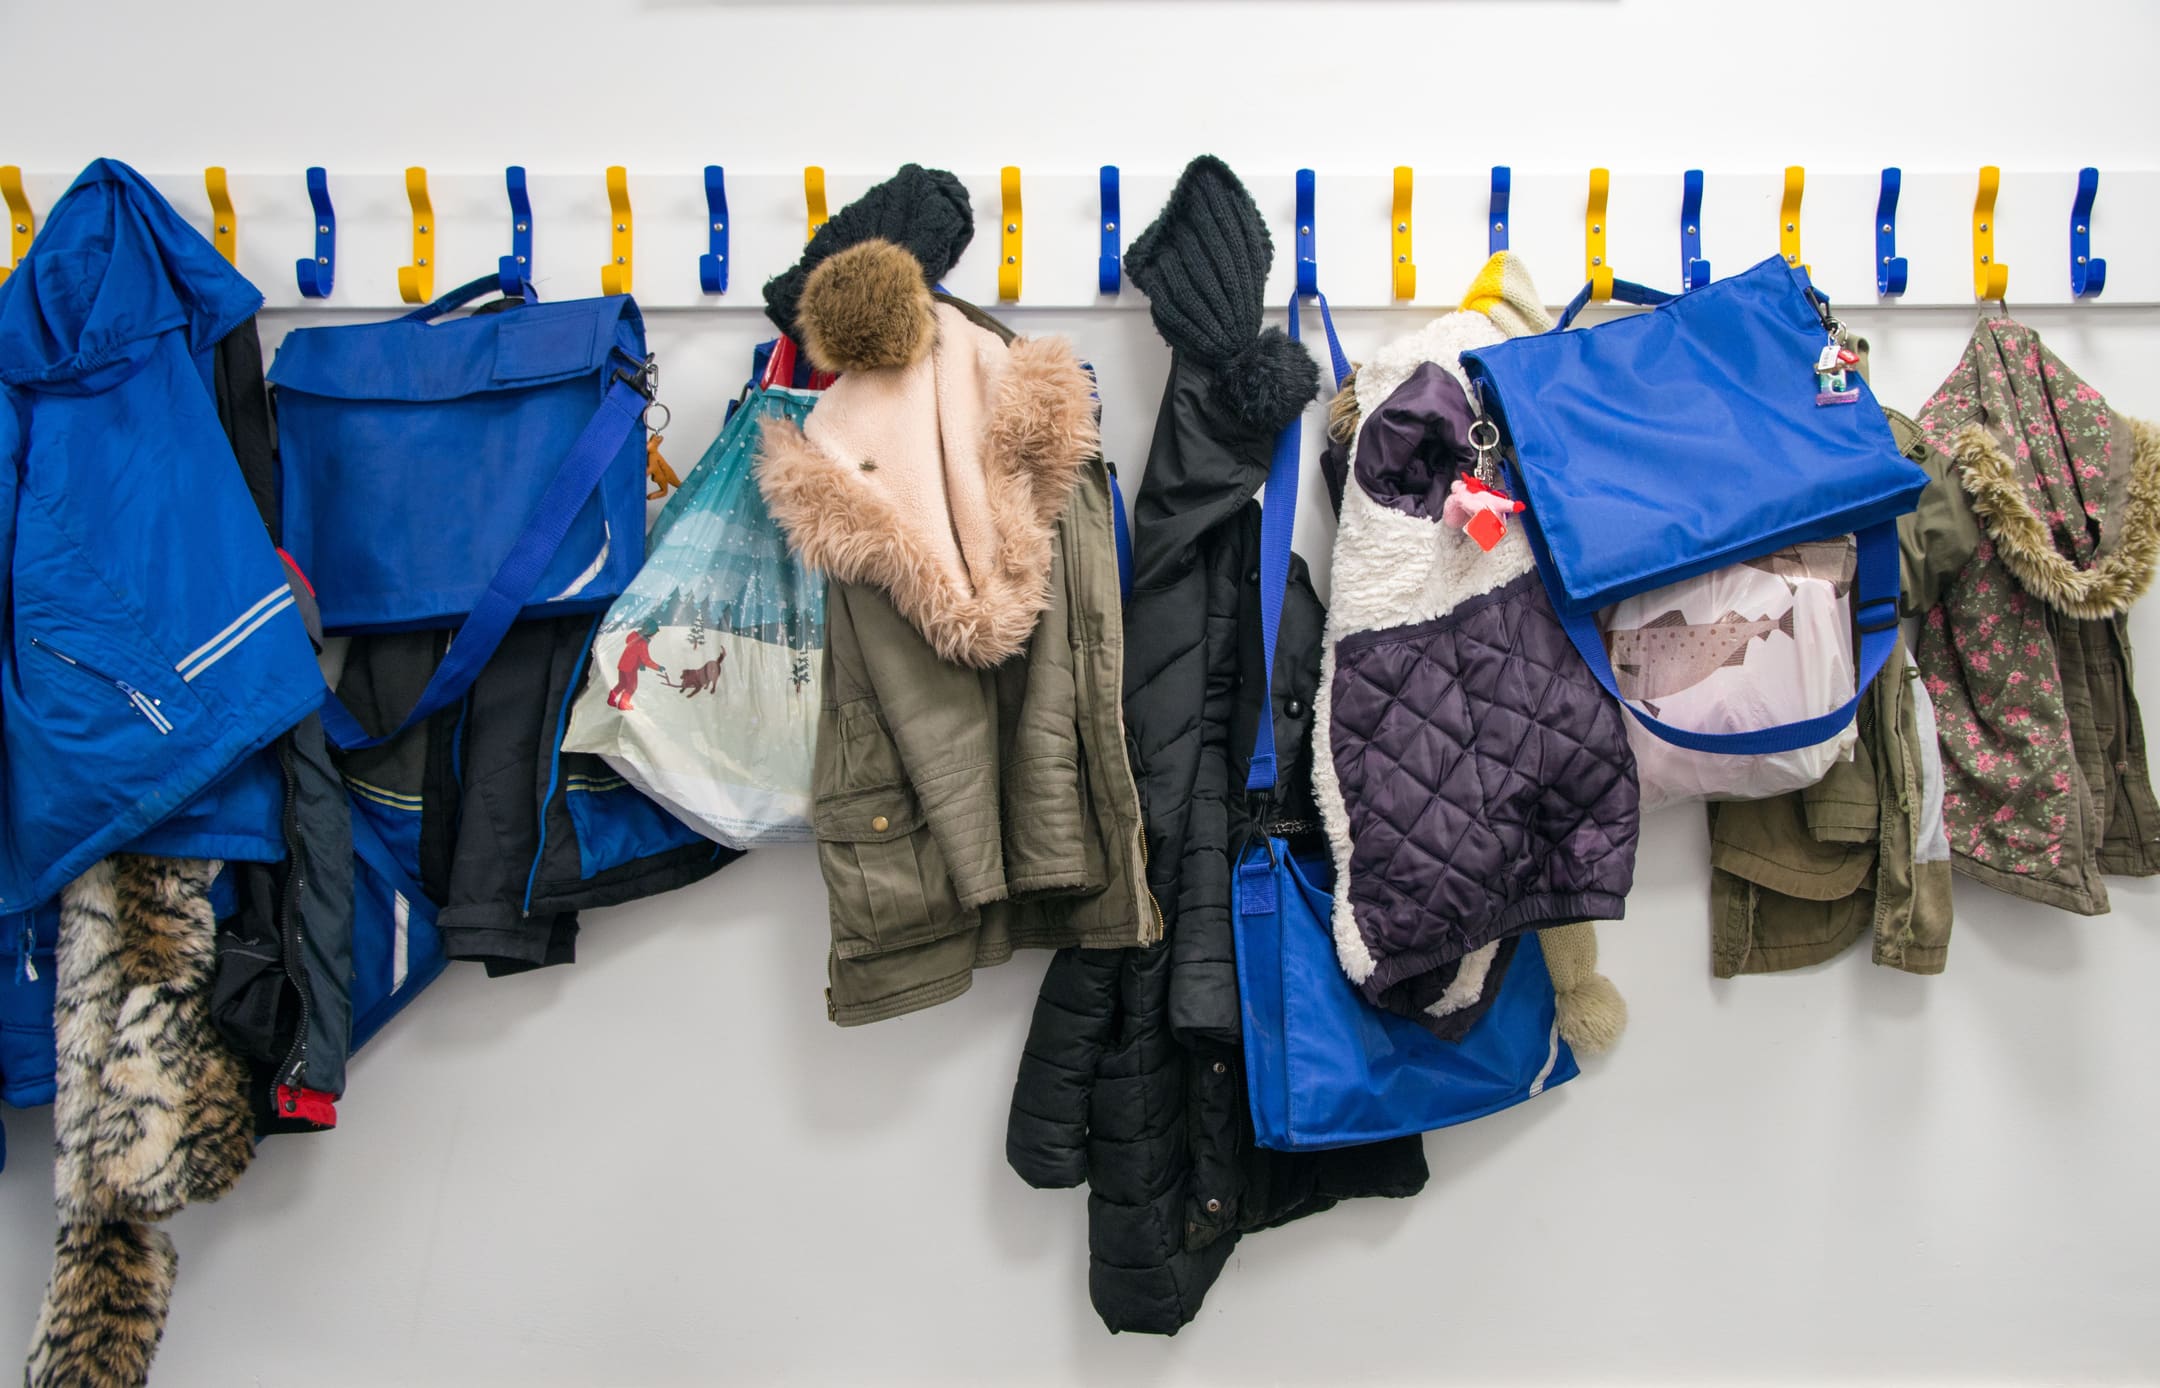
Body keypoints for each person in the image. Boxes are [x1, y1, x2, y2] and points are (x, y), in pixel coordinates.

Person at [608, 620, 665, 711]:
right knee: (631, 687)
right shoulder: (642, 643)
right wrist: (658, 667)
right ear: (650, 632)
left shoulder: (634, 637)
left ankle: (611, 700)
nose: (654, 636)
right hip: (630, 668)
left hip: (622, 665)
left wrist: (641, 664)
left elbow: (636, 654)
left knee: (622, 684)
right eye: (654, 634)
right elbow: (646, 660)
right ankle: (623, 704)